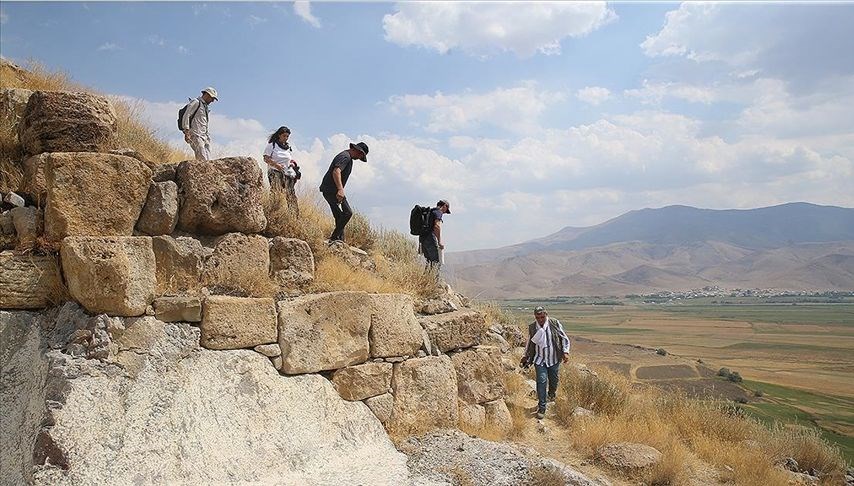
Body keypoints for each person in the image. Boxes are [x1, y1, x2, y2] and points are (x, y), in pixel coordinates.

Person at [521, 306, 571, 419]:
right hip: (540, 359)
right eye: (537, 317)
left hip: (553, 359)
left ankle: (552, 394)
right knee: (541, 381)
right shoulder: (533, 327)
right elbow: (530, 342)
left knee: (554, 379)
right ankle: (542, 407)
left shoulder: (554, 323)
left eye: (542, 317)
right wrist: (525, 356)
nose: (540, 320)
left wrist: (565, 352)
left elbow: (564, 338)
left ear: (546, 315)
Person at [319, 141, 369, 243]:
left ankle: (339, 240)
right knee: (347, 213)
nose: (359, 157)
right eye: (360, 155)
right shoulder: (345, 156)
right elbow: (336, 171)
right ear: (356, 150)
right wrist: (340, 189)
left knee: (340, 216)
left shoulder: (348, 158)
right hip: (331, 190)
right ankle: (334, 238)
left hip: (332, 190)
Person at [263, 126, 300, 216]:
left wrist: (292, 164)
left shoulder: (287, 147)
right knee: (276, 192)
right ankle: (272, 214)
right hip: (274, 171)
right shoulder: (272, 145)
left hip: (287, 171)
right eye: (284, 136)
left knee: (290, 192)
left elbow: (290, 159)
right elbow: (265, 158)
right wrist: (276, 165)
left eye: (287, 136)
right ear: (279, 135)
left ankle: (294, 215)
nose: (286, 138)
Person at [181, 87, 218, 161]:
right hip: (196, 135)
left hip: (205, 136)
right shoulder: (196, 102)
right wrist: (186, 132)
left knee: (208, 160)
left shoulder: (205, 107)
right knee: (202, 158)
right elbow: (186, 115)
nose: (213, 101)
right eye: (212, 98)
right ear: (207, 94)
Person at [420, 199, 451, 267]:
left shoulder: (430, 212)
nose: (444, 213)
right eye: (446, 211)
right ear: (445, 206)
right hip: (430, 239)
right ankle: (433, 277)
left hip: (422, 239)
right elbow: (437, 226)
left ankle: (427, 277)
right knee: (436, 262)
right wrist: (439, 242)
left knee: (429, 262)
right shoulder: (438, 212)